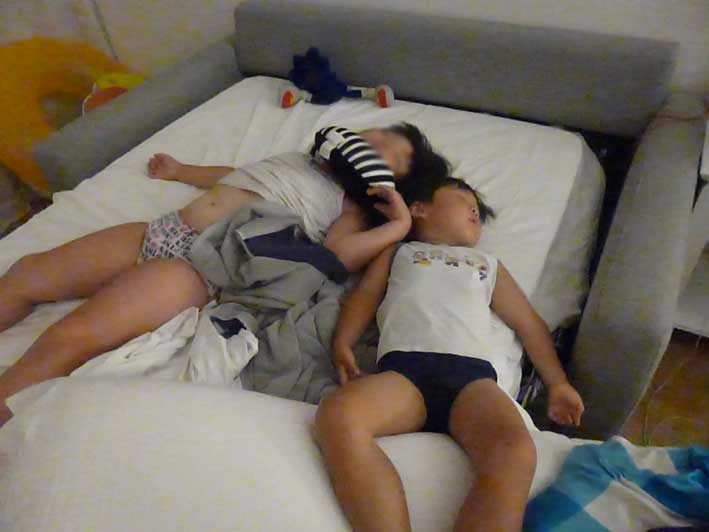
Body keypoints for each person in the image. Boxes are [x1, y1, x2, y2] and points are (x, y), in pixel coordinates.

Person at [0, 123, 450, 426]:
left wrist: (397, 225)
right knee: (26, 274)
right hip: (165, 230)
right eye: (381, 135)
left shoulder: (349, 206)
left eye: (393, 155)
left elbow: (338, 254)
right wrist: (182, 171)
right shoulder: (300, 160)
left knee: (71, 337)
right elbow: (236, 176)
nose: (378, 143)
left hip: (198, 267)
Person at [315, 177, 585, 532]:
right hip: (405, 373)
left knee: (516, 451)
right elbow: (363, 298)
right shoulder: (398, 253)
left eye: (477, 211)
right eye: (462, 199)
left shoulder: (487, 265)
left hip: (471, 379)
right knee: (338, 415)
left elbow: (529, 325)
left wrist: (558, 383)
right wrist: (343, 343)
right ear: (419, 209)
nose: (474, 211)